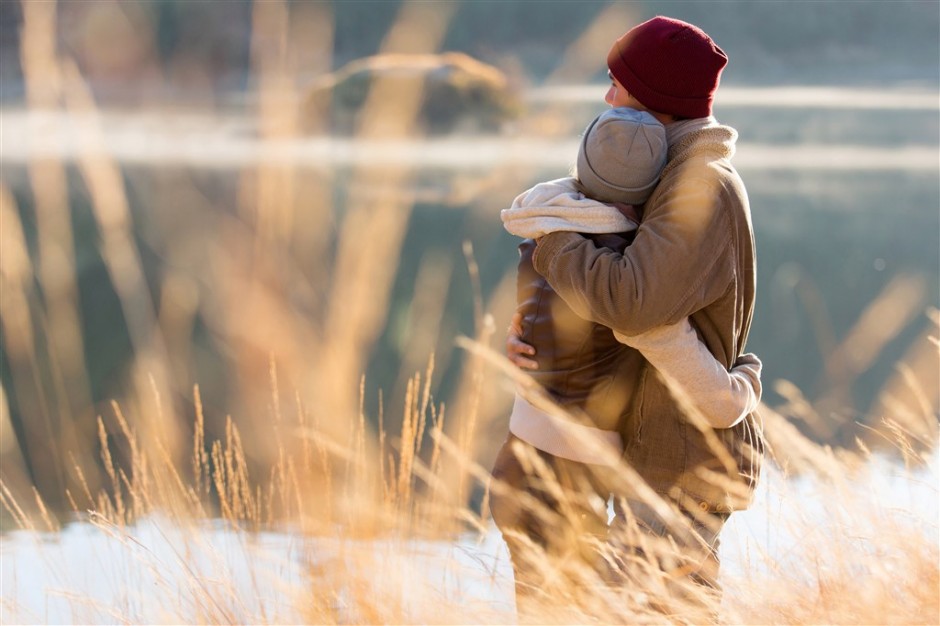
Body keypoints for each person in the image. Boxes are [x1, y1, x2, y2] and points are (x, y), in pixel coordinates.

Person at [504, 14, 764, 616]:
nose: (607, 96)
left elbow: (633, 305)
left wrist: (552, 241)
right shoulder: (665, 176)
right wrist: (529, 335)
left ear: (658, 101)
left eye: (618, 84)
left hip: (680, 463)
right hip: (651, 449)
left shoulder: (701, 186)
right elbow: (625, 308)